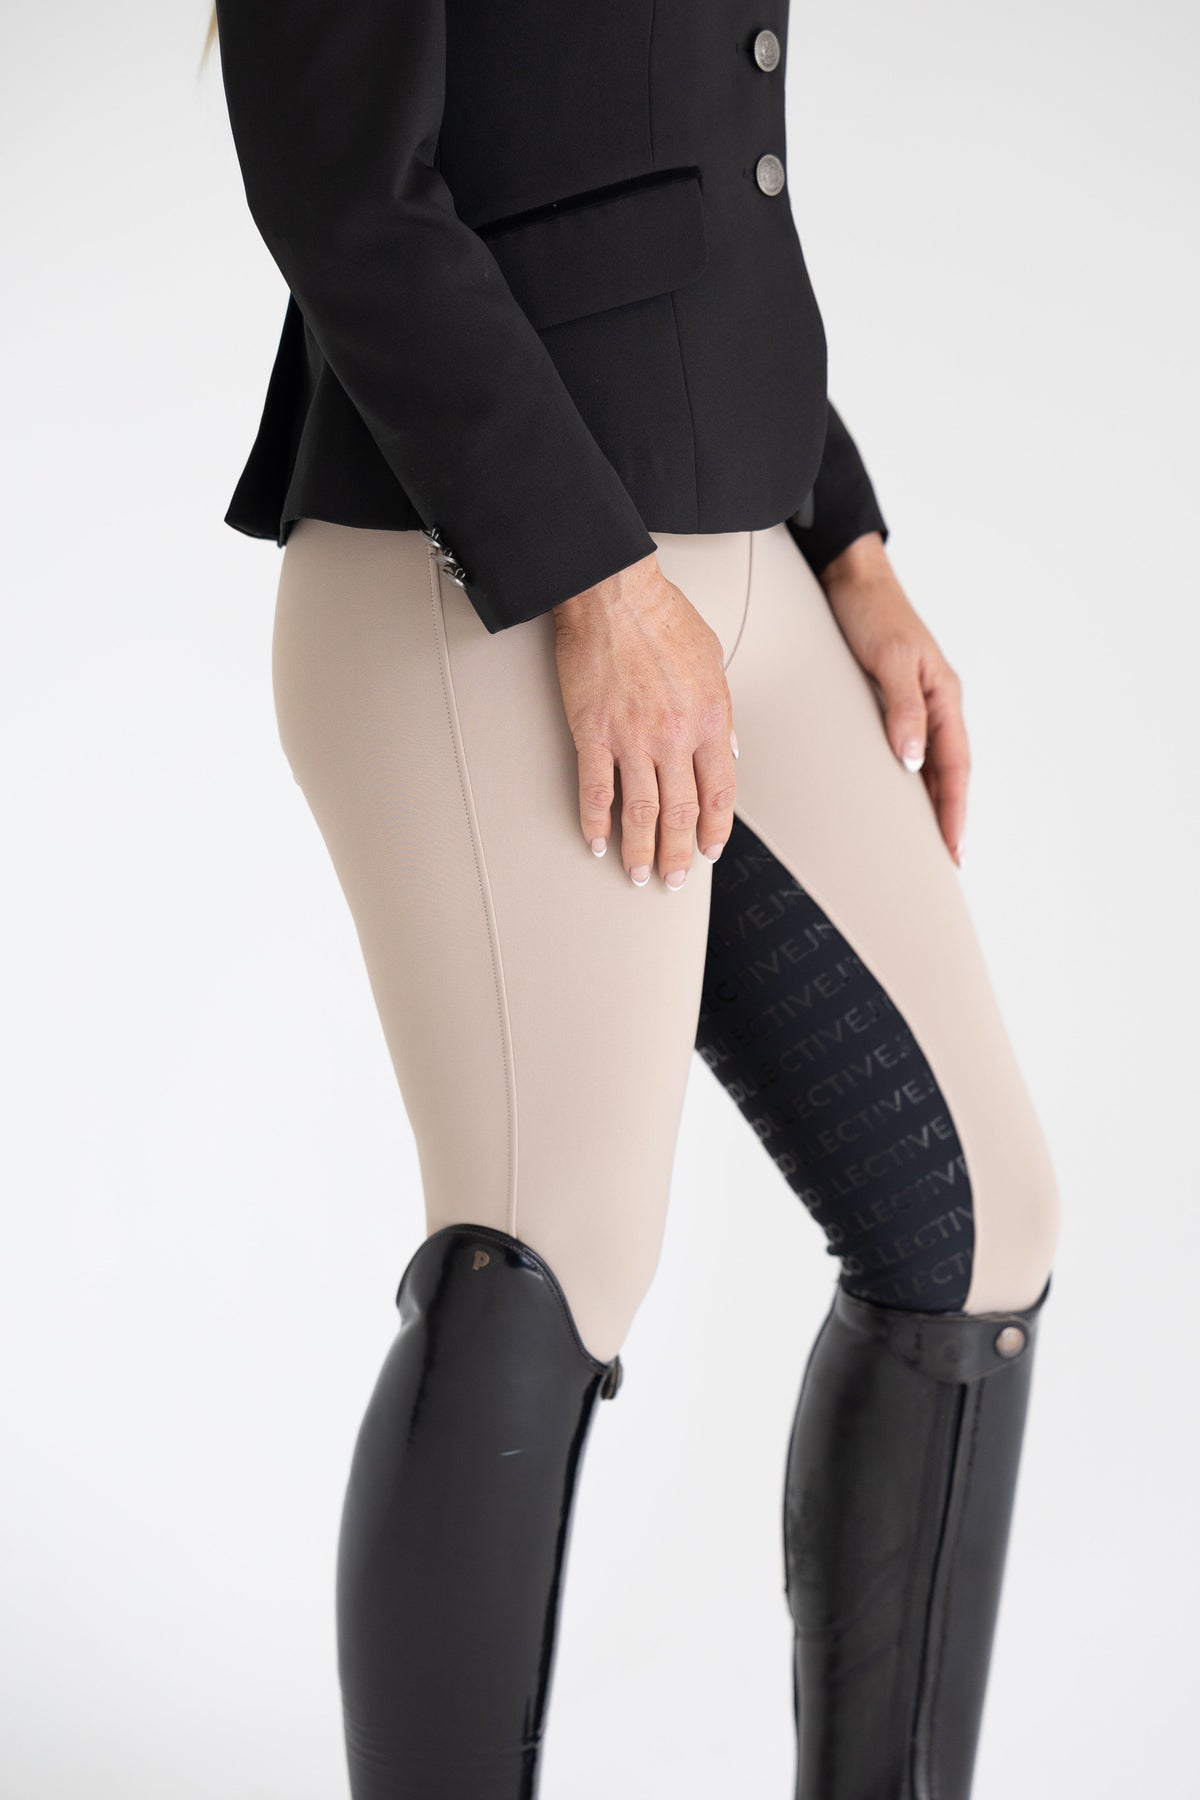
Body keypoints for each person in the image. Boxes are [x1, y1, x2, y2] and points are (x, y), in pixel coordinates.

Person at [203, 4, 1061, 1795]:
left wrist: (848, 540)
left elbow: (687, 171)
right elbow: (344, 184)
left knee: (976, 1227)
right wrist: (593, 579)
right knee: (553, 1249)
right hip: (486, 557)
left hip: (747, 547)